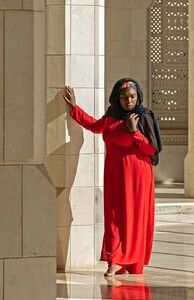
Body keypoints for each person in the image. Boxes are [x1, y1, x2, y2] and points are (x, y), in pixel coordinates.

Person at [63, 78, 162, 278]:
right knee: (114, 215)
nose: (129, 101)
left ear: (138, 96)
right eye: (124, 97)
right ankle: (115, 259)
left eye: (132, 97)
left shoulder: (142, 116)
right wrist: (74, 108)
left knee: (134, 216)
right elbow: (94, 126)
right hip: (115, 173)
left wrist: (134, 131)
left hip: (138, 174)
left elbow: (151, 148)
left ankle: (124, 261)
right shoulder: (111, 117)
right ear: (117, 98)